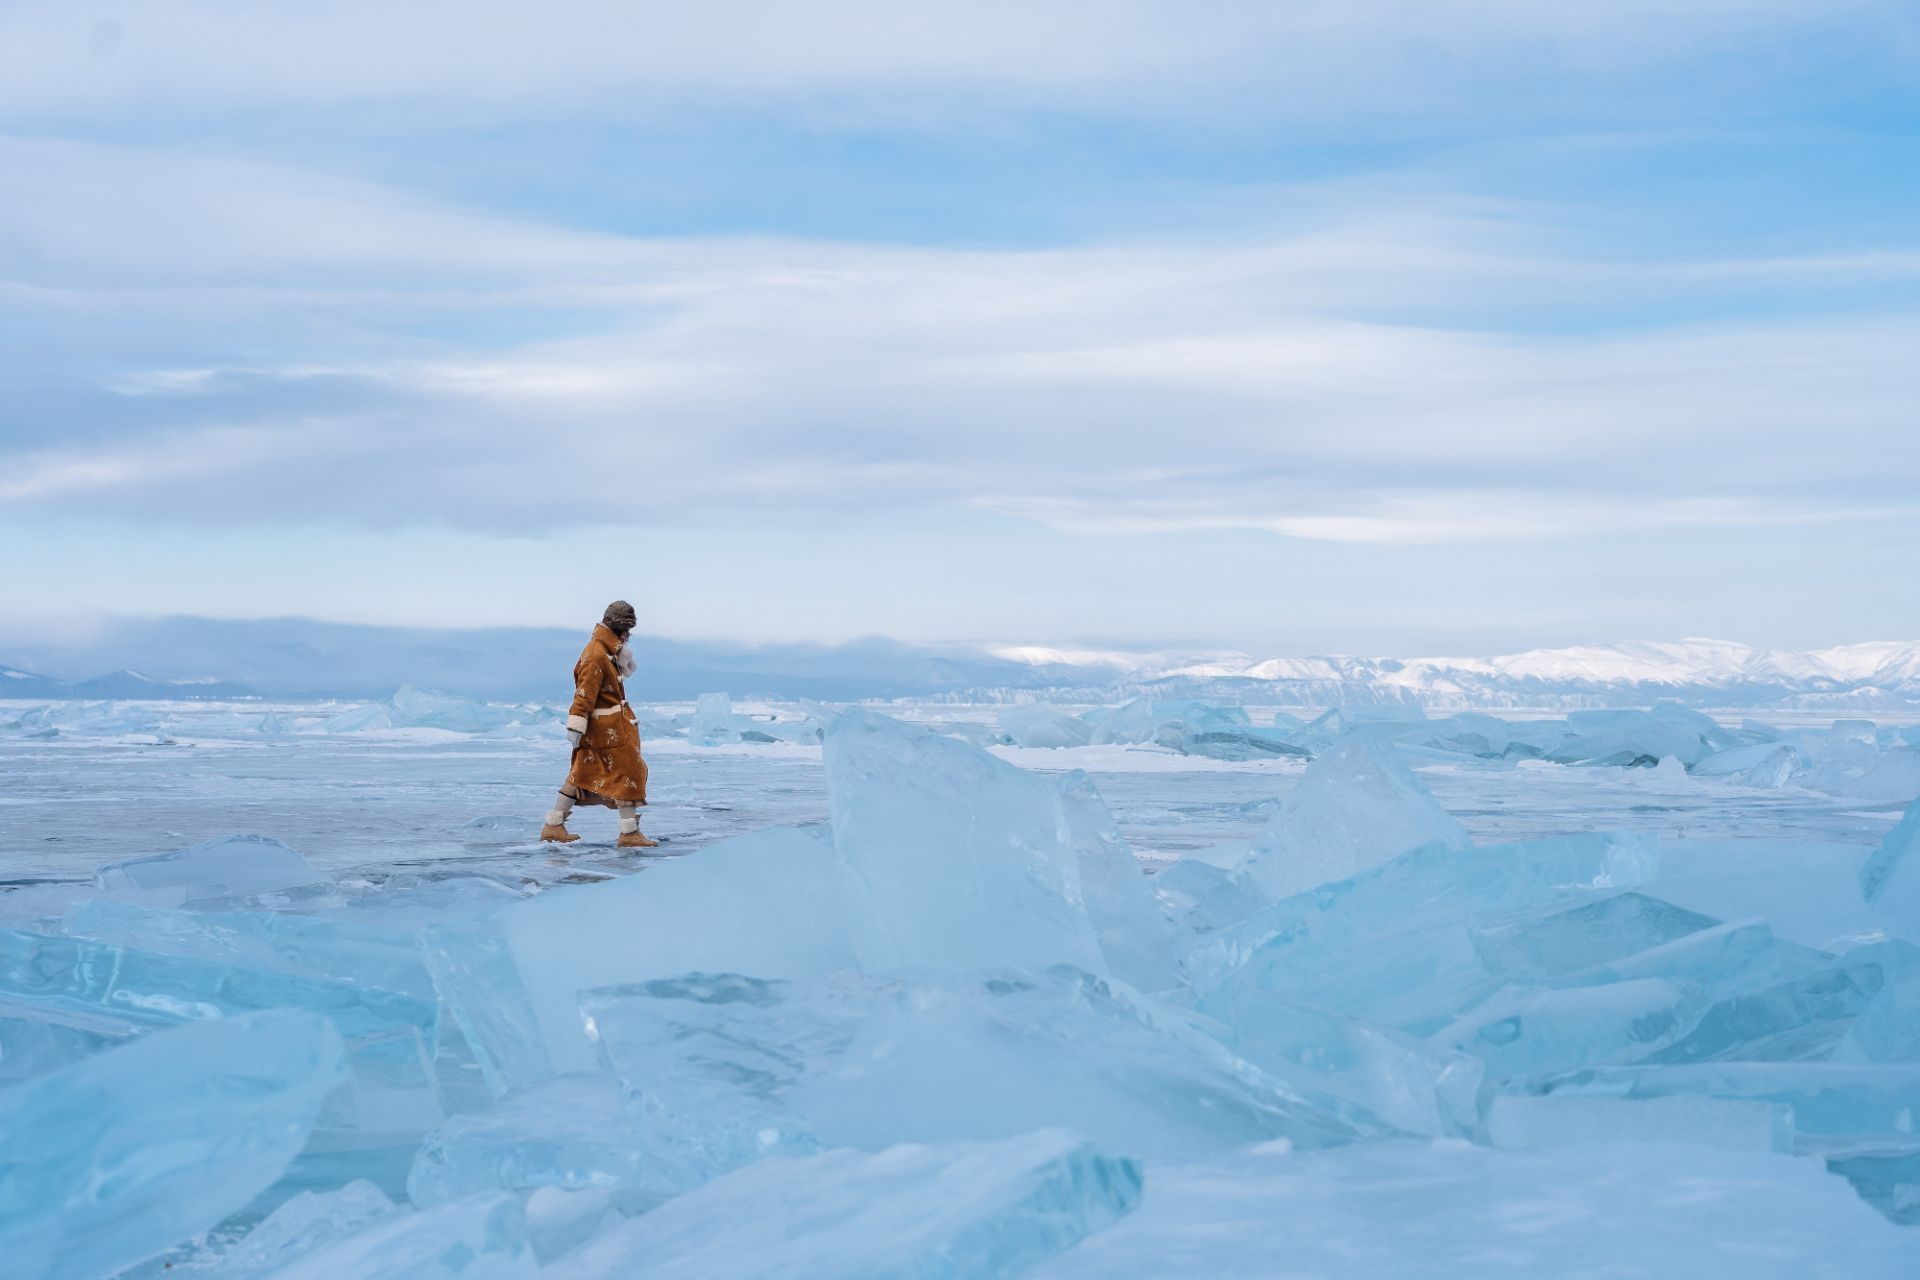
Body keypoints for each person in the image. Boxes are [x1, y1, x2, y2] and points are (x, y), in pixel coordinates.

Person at [540, 600, 657, 848]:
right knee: (629, 772)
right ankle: (629, 833)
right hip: (609, 731)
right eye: (627, 631)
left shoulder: (605, 653)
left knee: (582, 774)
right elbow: (585, 692)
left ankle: (553, 825)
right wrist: (576, 723)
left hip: (608, 727)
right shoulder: (596, 655)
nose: (629, 636)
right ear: (619, 629)